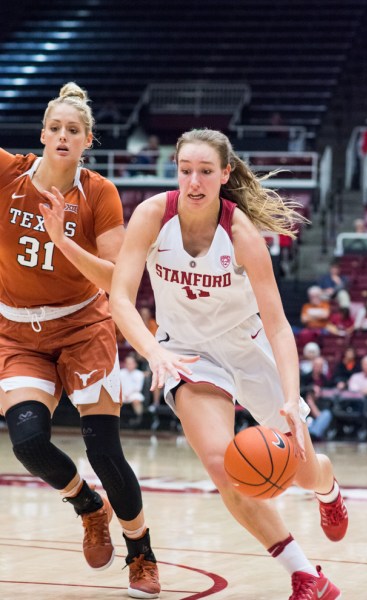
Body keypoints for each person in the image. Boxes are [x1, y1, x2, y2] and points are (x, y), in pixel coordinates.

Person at [110, 128, 346, 599]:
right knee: (225, 466)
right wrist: (154, 350)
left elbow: (279, 326)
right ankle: (306, 575)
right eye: (185, 170)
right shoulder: (153, 216)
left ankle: (328, 487)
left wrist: (294, 402)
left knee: (298, 469)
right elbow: (119, 298)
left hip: (248, 348)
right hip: (189, 354)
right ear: (175, 170)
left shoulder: (240, 233)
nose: (193, 181)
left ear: (224, 174)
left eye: (204, 171)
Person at [0, 83, 160, 599]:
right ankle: (89, 506)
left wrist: (62, 240)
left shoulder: (98, 194)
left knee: (105, 450)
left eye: (73, 130)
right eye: (55, 128)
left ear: (87, 140)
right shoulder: (9, 174)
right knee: (27, 443)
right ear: (41, 134)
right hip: (18, 331)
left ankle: (141, 553)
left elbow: (116, 279)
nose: (63, 136)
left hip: (83, 328)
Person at [120, 353, 146, 426]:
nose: (129, 365)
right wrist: (124, 394)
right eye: (128, 363)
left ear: (135, 364)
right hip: (123, 394)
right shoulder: (120, 372)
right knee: (117, 400)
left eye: (131, 363)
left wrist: (129, 394)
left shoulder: (139, 374)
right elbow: (119, 386)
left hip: (134, 393)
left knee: (136, 399)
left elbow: (138, 388)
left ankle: (139, 419)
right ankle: (118, 419)